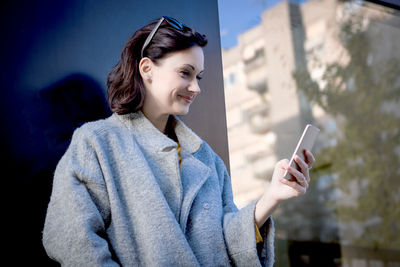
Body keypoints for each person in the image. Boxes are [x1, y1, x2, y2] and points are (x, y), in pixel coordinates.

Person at [42, 16, 315, 267]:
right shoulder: (97, 144)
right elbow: (72, 239)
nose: (196, 87)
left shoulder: (206, 159)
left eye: (198, 76)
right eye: (185, 73)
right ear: (147, 68)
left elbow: (225, 245)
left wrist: (272, 196)